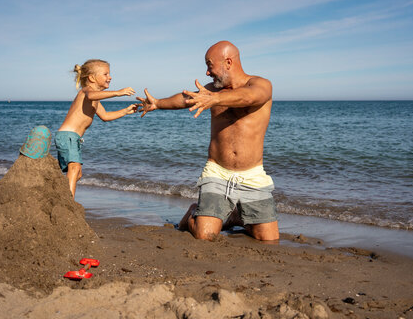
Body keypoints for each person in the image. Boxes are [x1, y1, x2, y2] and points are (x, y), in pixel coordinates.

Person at [137, 41, 279, 241]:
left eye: (209, 65)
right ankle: (193, 213)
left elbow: (250, 97)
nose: (207, 72)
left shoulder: (260, 84)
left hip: (253, 176)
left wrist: (215, 99)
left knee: (268, 239)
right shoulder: (211, 90)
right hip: (217, 172)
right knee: (205, 235)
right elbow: (185, 98)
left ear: (228, 62)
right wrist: (158, 103)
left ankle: (236, 217)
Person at [56, 59, 138, 199]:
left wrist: (125, 111)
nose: (110, 77)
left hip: (73, 138)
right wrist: (118, 93)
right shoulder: (87, 91)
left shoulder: (95, 99)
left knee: (77, 173)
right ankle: (67, 202)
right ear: (92, 78)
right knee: (74, 168)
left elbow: (105, 116)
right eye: (105, 74)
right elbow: (91, 95)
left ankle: (58, 194)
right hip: (68, 135)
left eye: (109, 74)